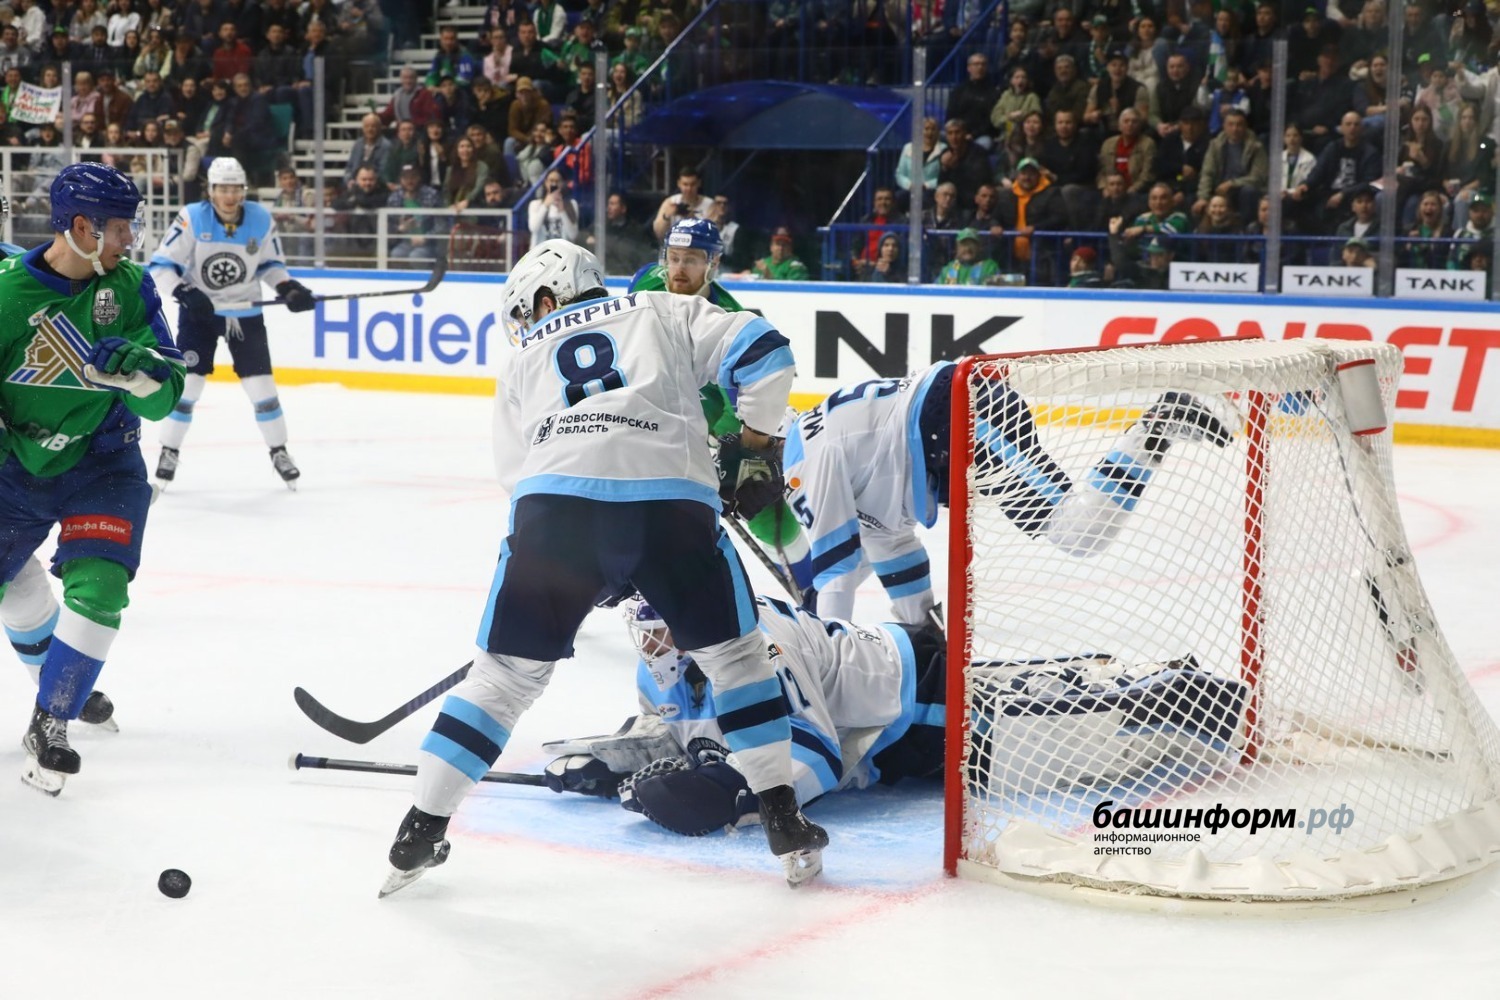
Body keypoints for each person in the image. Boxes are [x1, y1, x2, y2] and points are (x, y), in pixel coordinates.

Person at [380, 240, 827, 896]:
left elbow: (518, 478)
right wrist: (757, 445)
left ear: (546, 297)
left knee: (502, 679)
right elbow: (767, 352)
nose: (527, 325)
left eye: (526, 312)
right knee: (737, 661)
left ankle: (420, 830)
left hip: (555, 514)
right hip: (671, 503)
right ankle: (783, 819)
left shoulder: (522, 359)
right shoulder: (661, 308)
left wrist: (590, 568)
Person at [541, 596, 1247, 833]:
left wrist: (729, 789)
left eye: (664, 631)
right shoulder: (662, 661)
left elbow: (815, 754)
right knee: (1022, 716)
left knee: (1055, 739)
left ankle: (1182, 696)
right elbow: (673, 731)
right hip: (882, 731)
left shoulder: (756, 644)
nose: (654, 648)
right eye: (646, 633)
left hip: (911, 698)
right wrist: (609, 761)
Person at [783, 362, 1236, 624]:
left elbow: (836, 575)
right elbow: (891, 544)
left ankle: (1157, 425)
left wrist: (824, 658)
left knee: (1081, 532)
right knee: (1081, 536)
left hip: (958, 418)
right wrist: (922, 634)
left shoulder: (802, 463)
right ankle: (1155, 431)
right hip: (945, 428)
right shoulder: (823, 449)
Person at [0, 163, 186, 794]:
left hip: (104, 462)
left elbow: (167, 392)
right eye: (120, 226)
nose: (130, 238)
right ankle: (58, 678)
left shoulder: (129, 287)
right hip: (14, 467)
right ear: (81, 227)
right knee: (15, 588)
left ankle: (52, 717)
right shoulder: (6, 294)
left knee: (102, 585)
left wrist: (143, 375)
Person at [629, 218, 815, 595]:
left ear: (712, 264)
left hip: (702, 426)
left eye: (691, 260)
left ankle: (813, 591)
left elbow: (738, 407)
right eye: (674, 258)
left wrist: (734, 459)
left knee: (765, 513)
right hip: (644, 416)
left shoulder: (730, 320)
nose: (679, 269)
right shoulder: (646, 281)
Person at [146, 157, 315, 491]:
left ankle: (279, 451)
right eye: (223, 188)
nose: (229, 195)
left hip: (244, 313)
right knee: (188, 387)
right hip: (200, 315)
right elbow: (161, 266)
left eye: (235, 188)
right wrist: (185, 292)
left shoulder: (260, 219)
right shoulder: (192, 217)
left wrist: (288, 288)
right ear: (210, 190)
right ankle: (169, 450)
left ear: (244, 190)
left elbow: (270, 265)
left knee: (262, 388)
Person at [937, 227, 1001, 285]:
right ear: (957, 248)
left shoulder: (989, 268)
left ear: (979, 247)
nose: (967, 248)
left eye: (971, 244)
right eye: (964, 244)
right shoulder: (948, 269)